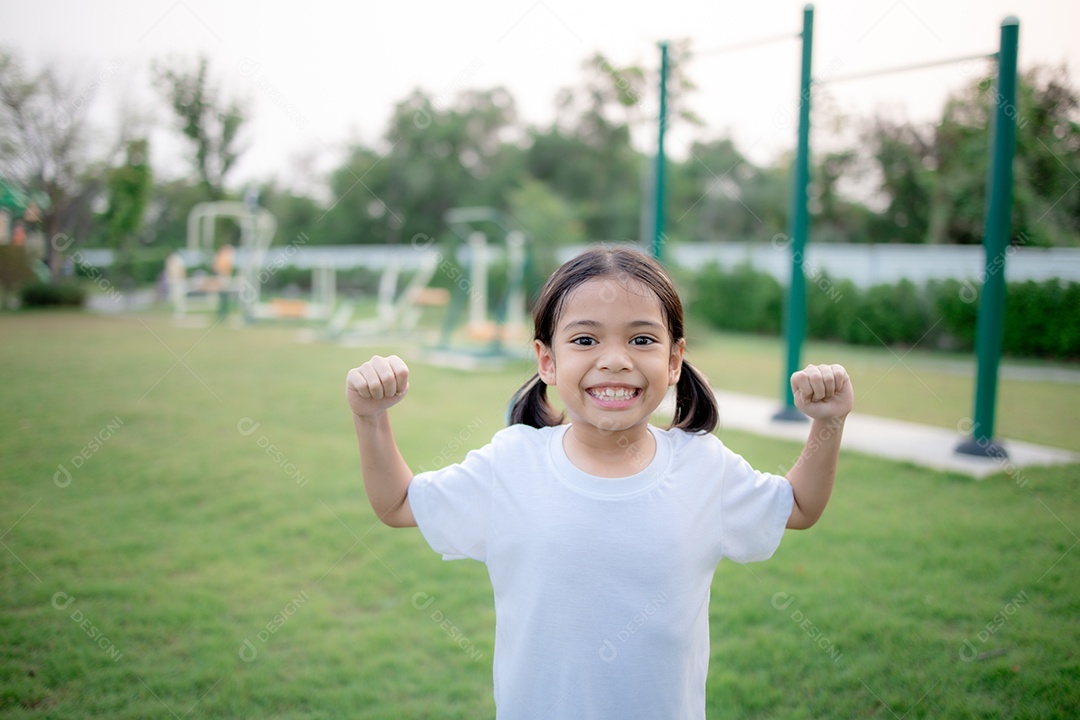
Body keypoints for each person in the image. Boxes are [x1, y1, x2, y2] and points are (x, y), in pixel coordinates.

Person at [345, 245, 854, 719]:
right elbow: (398, 504)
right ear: (548, 360)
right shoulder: (512, 464)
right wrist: (370, 417)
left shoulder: (704, 467)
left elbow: (799, 508)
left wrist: (828, 423)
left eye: (642, 339)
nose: (615, 359)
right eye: (585, 340)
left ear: (674, 360)